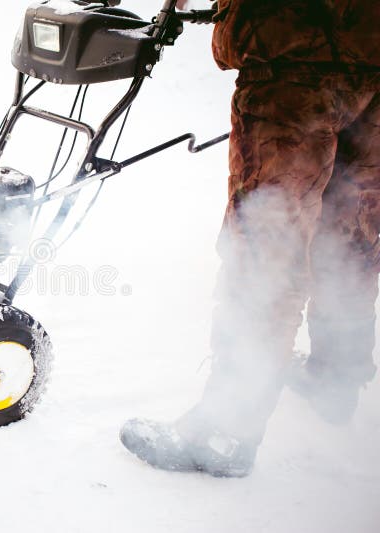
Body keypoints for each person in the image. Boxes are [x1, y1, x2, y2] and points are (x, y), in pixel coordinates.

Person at [120, 0, 380, 477]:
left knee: (269, 234)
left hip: (292, 44)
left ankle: (224, 429)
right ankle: (336, 377)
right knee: (353, 224)